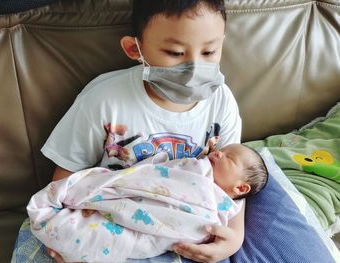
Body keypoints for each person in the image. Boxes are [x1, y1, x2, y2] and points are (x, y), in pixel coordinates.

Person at [14, 1, 244, 262]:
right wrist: (67, 236)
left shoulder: (220, 100)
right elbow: (65, 182)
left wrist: (234, 237)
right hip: (110, 218)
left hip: (182, 225)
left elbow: (232, 179)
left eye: (209, 51)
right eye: (175, 53)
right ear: (135, 49)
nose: (193, 68)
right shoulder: (104, 100)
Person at [27, 144, 268, 262]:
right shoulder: (196, 169)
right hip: (131, 195)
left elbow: (225, 214)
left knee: (115, 241)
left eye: (229, 157)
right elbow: (154, 176)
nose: (217, 153)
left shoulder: (224, 207)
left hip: (164, 236)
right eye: (221, 150)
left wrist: (234, 239)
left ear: (240, 188)